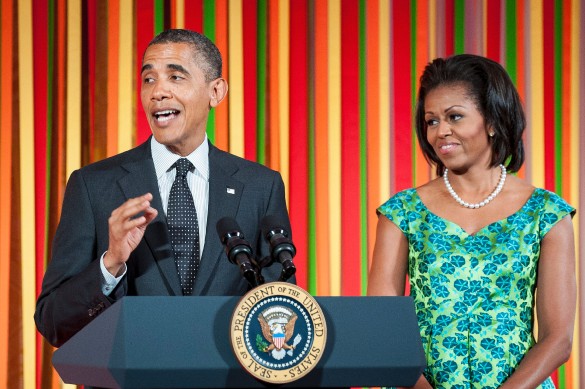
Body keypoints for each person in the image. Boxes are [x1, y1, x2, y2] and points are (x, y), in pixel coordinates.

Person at [35, 29, 293, 348]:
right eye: (149, 79)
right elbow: (53, 323)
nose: (158, 92)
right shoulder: (93, 185)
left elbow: (281, 309)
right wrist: (111, 262)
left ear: (216, 91)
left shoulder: (260, 186)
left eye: (175, 77)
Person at [367, 54, 576, 389]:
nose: (440, 132)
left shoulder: (546, 214)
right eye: (431, 121)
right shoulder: (402, 212)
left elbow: (558, 340)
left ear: (492, 120)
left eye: (455, 117)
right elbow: (381, 327)